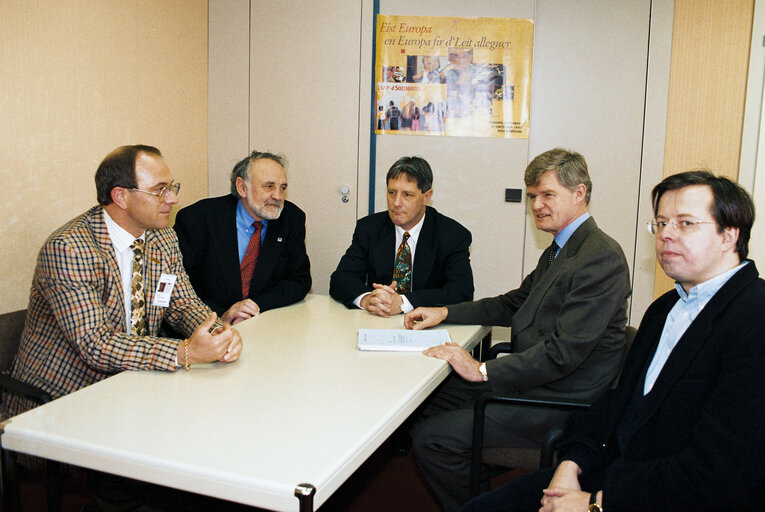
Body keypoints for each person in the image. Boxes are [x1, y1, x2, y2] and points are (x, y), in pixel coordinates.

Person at [463, 170, 765, 512]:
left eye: (685, 223)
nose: (667, 235)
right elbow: (619, 403)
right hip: (611, 471)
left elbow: (721, 470)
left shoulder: (754, 319)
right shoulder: (666, 307)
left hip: (665, 495)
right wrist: (570, 465)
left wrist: (594, 504)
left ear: (730, 235)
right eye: (662, 223)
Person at [404, 148, 631, 512]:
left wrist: (481, 370)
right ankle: (483, 492)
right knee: (425, 402)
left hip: (560, 400)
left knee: (433, 440)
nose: (537, 205)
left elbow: (562, 354)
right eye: (532, 197)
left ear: (579, 193)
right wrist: (443, 311)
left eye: (547, 195)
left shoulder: (599, 256)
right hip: (533, 377)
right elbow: (513, 304)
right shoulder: (561, 249)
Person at [3, 145, 242, 418]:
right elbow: (96, 344)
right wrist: (184, 352)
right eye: (159, 189)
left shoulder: (162, 238)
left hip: (135, 386)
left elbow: (183, 305)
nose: (173, 198)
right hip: (63, 400)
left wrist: (219, 334)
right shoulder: (70, 248)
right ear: (120, 196)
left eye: (172, 186)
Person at [174, 150, 311, 325]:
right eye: (269, 186)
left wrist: (253, 307)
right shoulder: (197, 219)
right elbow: (180, 286)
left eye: (282, 188)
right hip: (205, 323)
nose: (278, 196)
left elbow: (299, 280)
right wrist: (223, 315)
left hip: (263, 323)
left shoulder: (291, 218)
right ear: (242, 188)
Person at [330, 156, 474, 317]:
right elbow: (341, 279)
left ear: (426, 197)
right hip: (377, 322)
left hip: (427, 327)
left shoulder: (452, 235)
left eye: (407, 195)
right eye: (392, 193)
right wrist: (367, 299)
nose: (396, 202)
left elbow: (461, 293)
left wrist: (404, 303)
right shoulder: (370, 228)